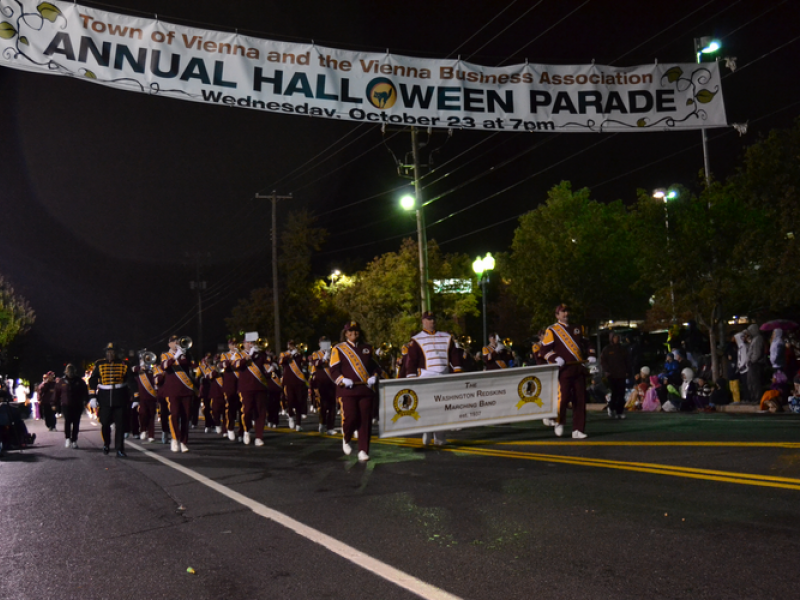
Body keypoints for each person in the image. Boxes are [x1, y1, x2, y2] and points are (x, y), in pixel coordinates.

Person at [403, 311, 463, 446]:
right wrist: (411, 378)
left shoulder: (447, 337)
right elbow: (412, 360)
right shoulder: (417, 339)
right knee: (429, 406)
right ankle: (427, 429)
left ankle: (440, 437)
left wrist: (458, 370)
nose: (431, 322)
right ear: (423, 322)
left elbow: (454, 355)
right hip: (426, 376)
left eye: (433, 319)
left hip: (443, 375)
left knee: (442, 407)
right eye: (428, 319)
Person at [541, 304, 596, 439]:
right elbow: (544, 351)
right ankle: (559, 421)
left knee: (580, 399)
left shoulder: (578, 328)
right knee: (563, 398)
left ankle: (578, 429)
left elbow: (588, 343)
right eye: (562, 312)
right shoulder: (552, 330)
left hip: (578, 368)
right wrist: (555, 358)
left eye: (567, 311)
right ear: (557, 315)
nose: (566, 314)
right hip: (564, 370)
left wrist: (591, 354)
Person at [331, 320, 382, 461]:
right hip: (348, 390)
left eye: (356, 331)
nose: (354, 333)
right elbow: (333, 370)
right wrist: (342, 379)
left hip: (365, 389)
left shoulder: (368, 348)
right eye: (351, 331)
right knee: (351, 417)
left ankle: (363, 450)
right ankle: (346, 438)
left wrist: (375, 376)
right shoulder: (338, 349)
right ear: (346, 333)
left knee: (365, 420)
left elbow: (376, 367)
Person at [88, 343, 134, 457]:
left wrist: (136, 396)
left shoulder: (124, 364)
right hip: (104, 397)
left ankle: (119, 449)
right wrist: (92, 397)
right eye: (108, 351)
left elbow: (131, 381)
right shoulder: (99, 364)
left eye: (112, 351)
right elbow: (93, 380)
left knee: (120, 425)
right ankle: (106, 443)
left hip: (120, 397)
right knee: (105, 423)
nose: (110, 353)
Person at [159, 335, 196, 453]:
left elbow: (195, 366)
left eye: (177, 341)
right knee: (174, 414)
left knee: (186, 416)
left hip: (186, 389)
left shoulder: (186, 354)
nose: (176, 343)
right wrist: (176, 356)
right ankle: (175, 439)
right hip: (172, 390)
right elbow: (164, 366)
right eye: (173, 342)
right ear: (169, 344)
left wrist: (186, 353)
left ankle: (184, 441)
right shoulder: (165, 355)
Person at [235, 333, 271, 446]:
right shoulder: (239, 354)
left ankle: (259, 436)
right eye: (248, 342)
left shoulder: (261, 354)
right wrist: (249, 355)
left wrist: (271, 367)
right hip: (246, 388)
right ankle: (246, 431)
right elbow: (237, 365)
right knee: (246, 411)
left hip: (260, 387)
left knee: (261, 412)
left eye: (252, 342)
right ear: (244, 344)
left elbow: (270, 364)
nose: (250, 344)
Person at [55, 364, 89, 449]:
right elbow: (57, 394)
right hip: (66, 405)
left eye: (71, 371)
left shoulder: (80, 381)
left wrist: (85, 401)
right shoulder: (62, 381)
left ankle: (74, 440)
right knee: (67, 421)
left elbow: (85, 392)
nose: (70, 373)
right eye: (68, 371)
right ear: (66, 372)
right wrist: (55, 404)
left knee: (76, 423)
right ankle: (67, 438)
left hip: (77, 405)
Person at [310, 336, 337, 435]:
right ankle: (322, 423)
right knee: (324, 404)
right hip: (322, 382)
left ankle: (330, 427)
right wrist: (324, 358)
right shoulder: (316, 353)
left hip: (332, 382)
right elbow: (315, 363)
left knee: (333, 406)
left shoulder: (333, 353)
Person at [219, 338, 244, 441]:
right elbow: (222, 365)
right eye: (232, 344)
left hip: (241, 384)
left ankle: (242, 432)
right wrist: (234, 357)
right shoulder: (225, 355)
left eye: (236, 344)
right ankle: (230, 428)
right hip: (229, 385)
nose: (235, 346)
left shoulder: (242, 354)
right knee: (230, 408)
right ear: (229, 346)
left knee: (242, 409)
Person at [280, 340, 308, 431]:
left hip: (299, 381)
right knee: (290, 401)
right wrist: (290, 355)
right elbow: (281, 362)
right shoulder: (284, 354)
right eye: (290, 345)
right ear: (288, 346)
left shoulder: (299, 355)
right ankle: (291, 416)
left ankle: (298, 424)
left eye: (293, 345)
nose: (292, 346)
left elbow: (304, 363)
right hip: (288, 381)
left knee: (299, 402)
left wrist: (300, 354)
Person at [600, 333, 628, 419]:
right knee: (615, 393)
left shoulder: (622, 349)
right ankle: (611, 408)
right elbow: (603, 361)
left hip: (621, 374)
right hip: (612, 375)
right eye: (615, 337)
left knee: (621, 394)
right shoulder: (607, 349)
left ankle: (619, 412)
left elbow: (627, 361)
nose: (616, 339)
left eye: (618, 337)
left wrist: (627, 371)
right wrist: (607, 371)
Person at [132, 352, 158, 443]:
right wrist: (140, 367)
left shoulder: (153, 370)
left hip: (152, 396)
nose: (145, 361)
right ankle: (143, 429)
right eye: (143, 359)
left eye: (147, 359)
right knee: (143, 415)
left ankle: (151, 435)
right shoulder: (138, 370)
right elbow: (131, 370)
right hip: (141, 397)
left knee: (151, 416)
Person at [745, 324, 766, 405]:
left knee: (755, 382)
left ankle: (757, 398)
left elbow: (756, 353)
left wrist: (752, 360)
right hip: (752, 363)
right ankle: (754, 398)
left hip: (755, 364)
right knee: (750, 382)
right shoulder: (754, 339)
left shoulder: (758, 339)